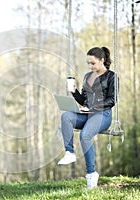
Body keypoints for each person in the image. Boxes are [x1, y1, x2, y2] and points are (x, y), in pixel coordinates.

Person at [58, 47, 116, 189]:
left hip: (103, 115)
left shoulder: (111, 76)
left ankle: (91, 174)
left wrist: (94, 106)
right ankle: (69, 152)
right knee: (66, 116)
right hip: (87, 115)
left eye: (93, 63)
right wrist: (73, 91)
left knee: (84, 136)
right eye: (88, 63)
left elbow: (112, 100)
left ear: (102, 60)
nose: (90, 66)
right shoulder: (87, 76)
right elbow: (83, 100)